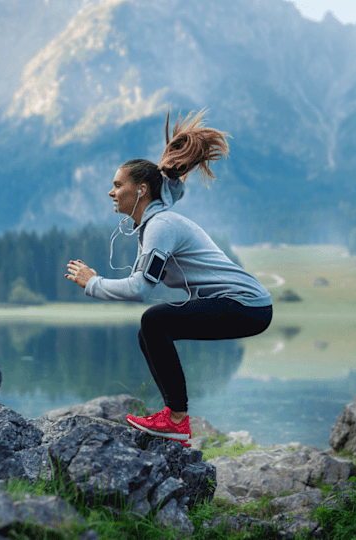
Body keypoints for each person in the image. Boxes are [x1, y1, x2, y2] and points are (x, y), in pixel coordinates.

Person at [65, 108, 273, 447]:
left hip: (247, 305)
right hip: (248, 305)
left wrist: (93, 283)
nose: (111, 192)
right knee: (149, 332)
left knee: (154, 320)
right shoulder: (155, 223)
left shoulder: (160, 227)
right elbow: (171, 192)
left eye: (118, 185)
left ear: (141, 190)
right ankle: (173, 417)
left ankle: (176, 420)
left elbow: (140, 290)